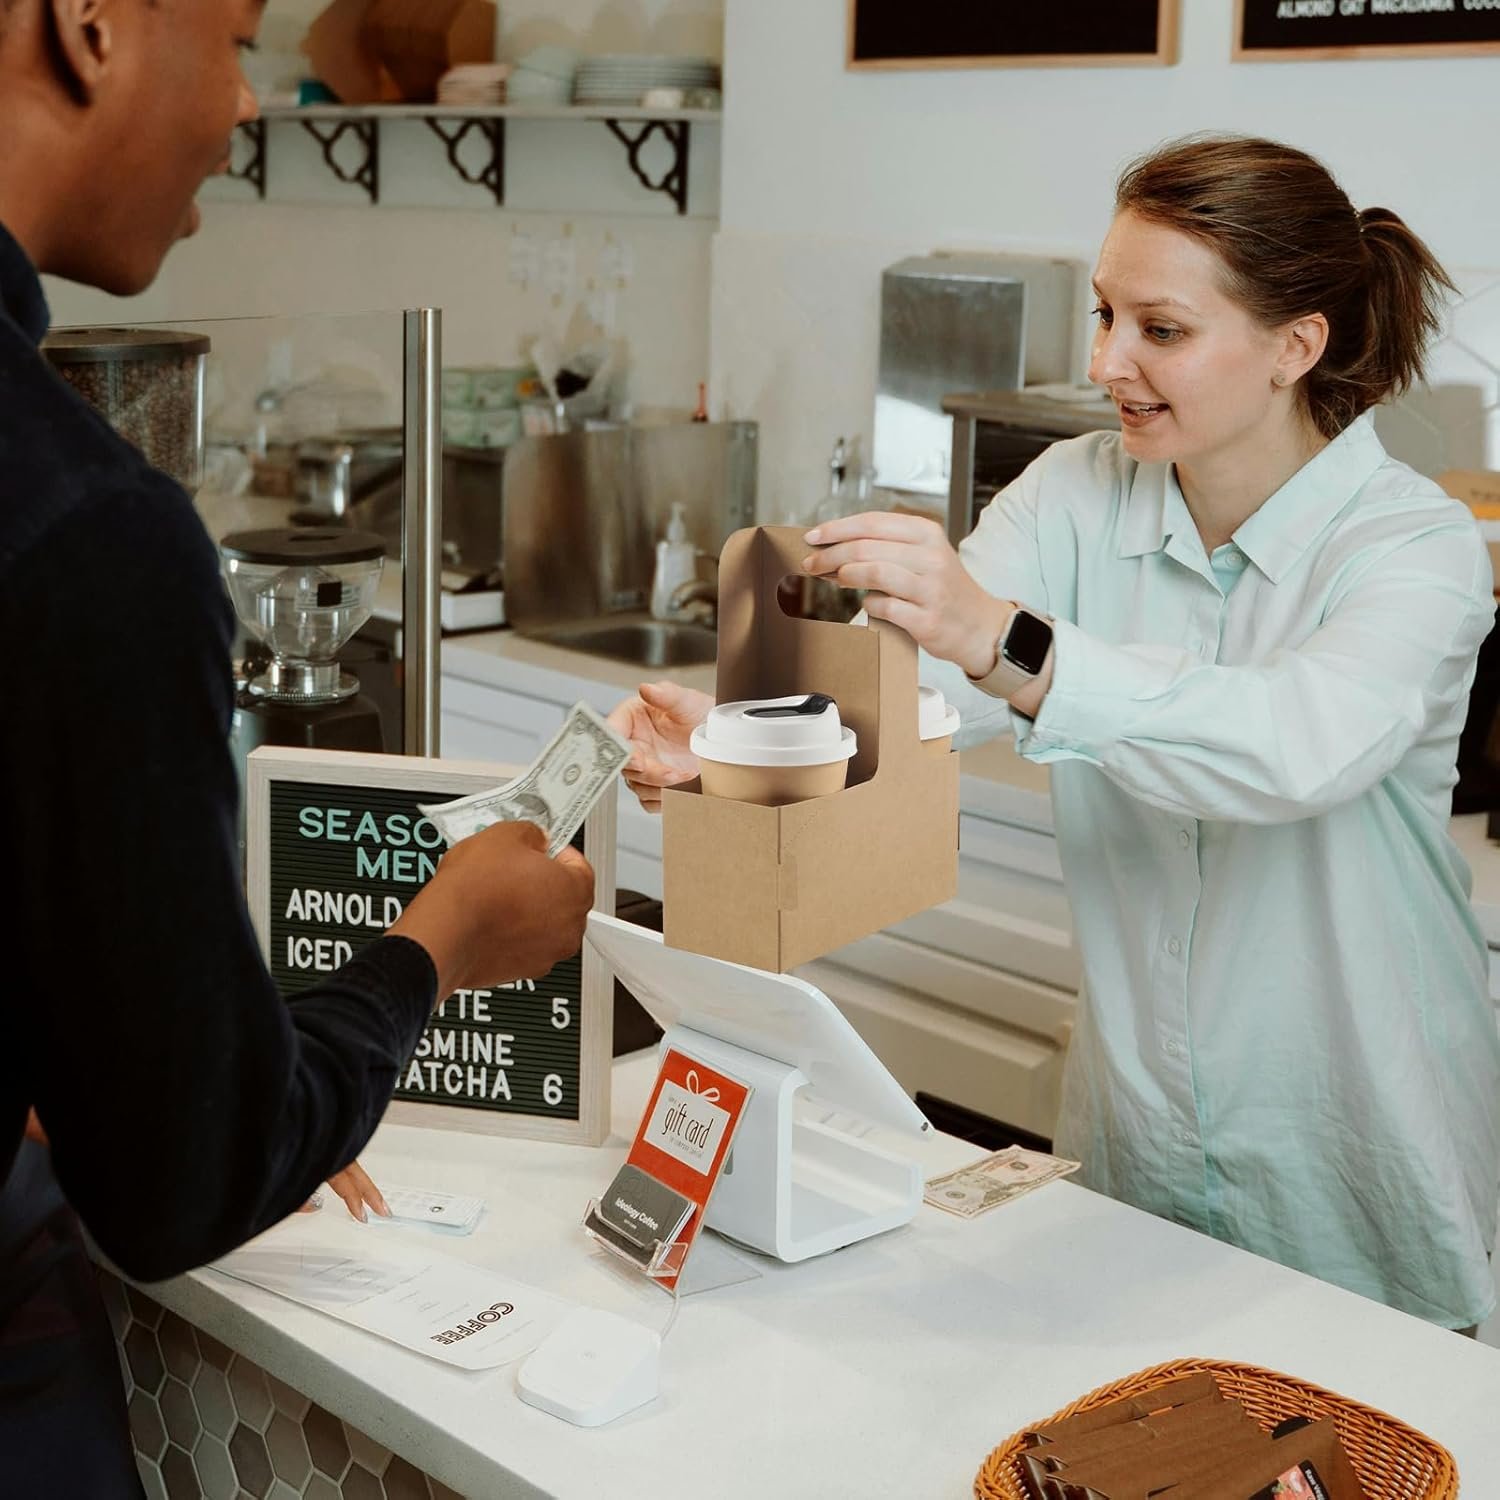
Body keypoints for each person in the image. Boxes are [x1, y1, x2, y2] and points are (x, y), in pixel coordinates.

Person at [612, 135, 1500, 1334]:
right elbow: (921, 689)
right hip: (1138, 1147)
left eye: (1160, 329)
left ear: (1297, 346)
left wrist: (1008, 639)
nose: (1105, 363)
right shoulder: (1077, 493)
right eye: (1105, 314)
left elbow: (1298, 745)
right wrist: (738, 751)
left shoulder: (1413, 545)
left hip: (1356, 1164)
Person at [0, 1, 594, 1490]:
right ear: (88, 26)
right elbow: (182, 1179)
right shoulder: (87, 531)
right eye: (240, 38)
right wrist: (439, 947)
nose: (250, 103)